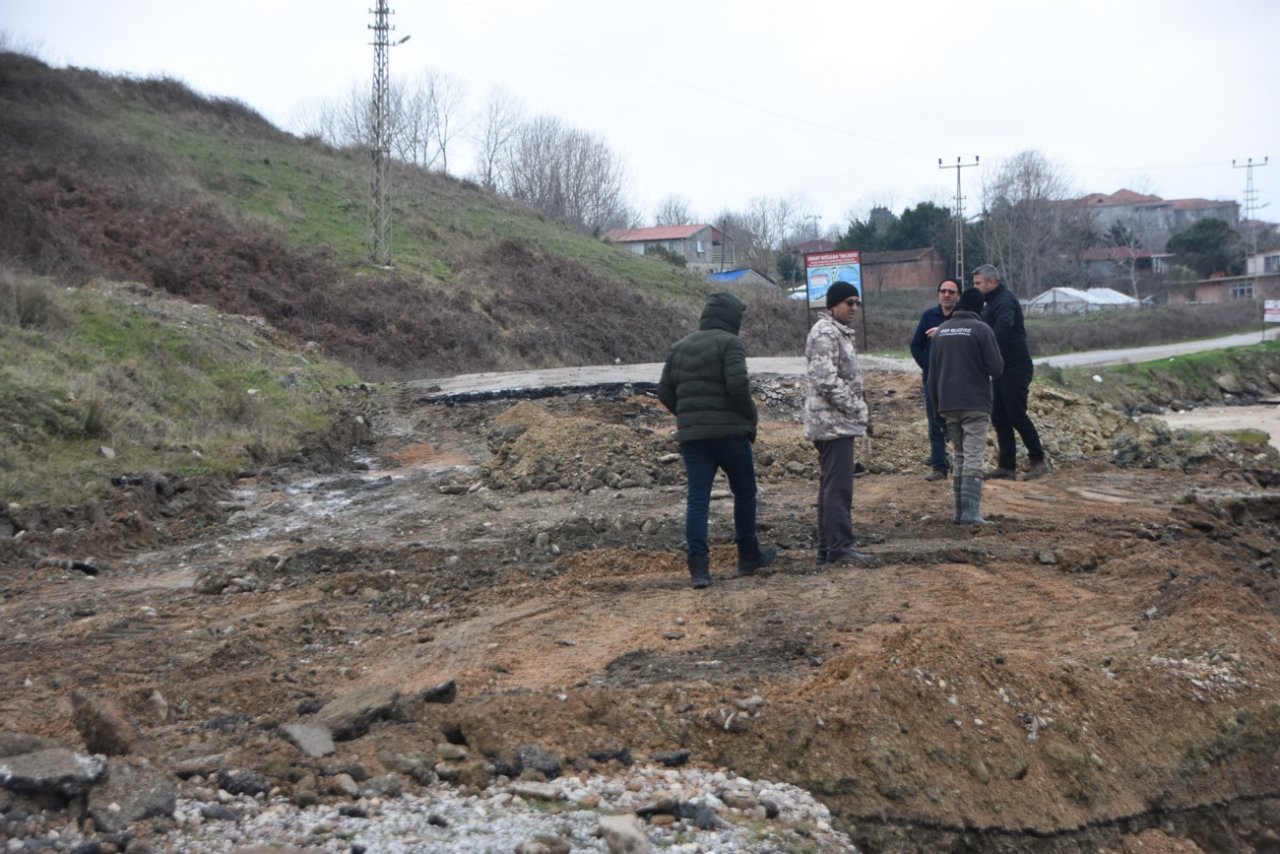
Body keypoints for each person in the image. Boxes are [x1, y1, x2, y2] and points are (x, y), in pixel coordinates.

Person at [658, 292, 776, 589]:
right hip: (730, 435)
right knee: (745, 491)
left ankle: (699, 569)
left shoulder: (678, 347)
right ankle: (748, 555)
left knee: (698, 500)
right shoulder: (730, 343)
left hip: (693, 439)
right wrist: (750, 416)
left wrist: (688, 415)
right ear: (731, 318)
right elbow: (738, 386)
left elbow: (664, 393)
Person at [803, 281, 873, 565]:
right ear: (833, 305)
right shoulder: (825, 334)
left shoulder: (836, 333)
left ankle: (828, 549)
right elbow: (826, 381)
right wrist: (857, 407)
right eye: (849, 302)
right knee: (838, 488)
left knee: (831, 486)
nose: (854, 308)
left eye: (857, 302)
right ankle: (839, 548)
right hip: (833, 425)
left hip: (836, 423)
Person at [928, 288, 1004, 523]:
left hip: (948, 403)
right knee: (972, 456)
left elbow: (932, 375)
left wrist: (936, 408)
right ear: (981, 308)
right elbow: (996, 368)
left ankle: (960, 513)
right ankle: (971, 514)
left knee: (959, 456)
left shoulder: (941, 332)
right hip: (974, 403)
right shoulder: (982, 329)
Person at [972, 264, 1050, 480]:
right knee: (999, 416)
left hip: (1015, 366)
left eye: (978, 283)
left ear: (992, 282)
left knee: (1016, 414)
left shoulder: (1005, 300)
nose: (975, 287)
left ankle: (1038, 461)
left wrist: (985, 350)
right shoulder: (990, 303)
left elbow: (1003, 328)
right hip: (1000, 368)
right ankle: (1007, 467)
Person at [909, 278, 961, 481]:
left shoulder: (962, 318)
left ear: (958, 295)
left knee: (957, 423)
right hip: (932, 381)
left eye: (951, 291)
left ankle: (962, 465)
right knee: (934, 423)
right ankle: (939, 466)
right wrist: (928, 367)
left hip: (956, 381)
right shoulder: (928, 316)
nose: (946, 295)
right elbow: (915, 345)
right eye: (943, 291)